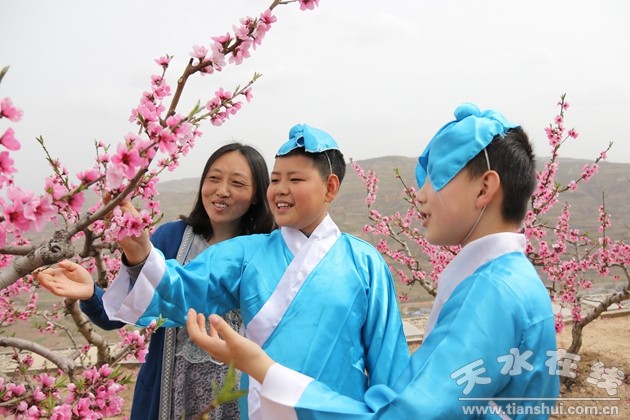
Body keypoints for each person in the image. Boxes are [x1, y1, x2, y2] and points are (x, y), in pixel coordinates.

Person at [186, 104, 562, 419]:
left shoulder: (490, 293)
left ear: (485, 188)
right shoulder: (510, 280)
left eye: (435, 179)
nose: (420, 196)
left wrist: (261, 367)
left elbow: (407, 414)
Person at [41, 124, 411, 420]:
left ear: (330, 187)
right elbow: (181, 288)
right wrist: (140, 251)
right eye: (276, 179)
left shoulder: (365, 263)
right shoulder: (247, 253)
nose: (281, 189)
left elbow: (390, 365)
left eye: (295, 180)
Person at [37, 142, 275, 420]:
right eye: (214, 178)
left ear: (257, 195)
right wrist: (91, 293)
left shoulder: (266, 252)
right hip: (168, 394)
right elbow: (119, 314)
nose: (222, 190)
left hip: (237, 396)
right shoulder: (171, 239)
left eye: (237, 183)